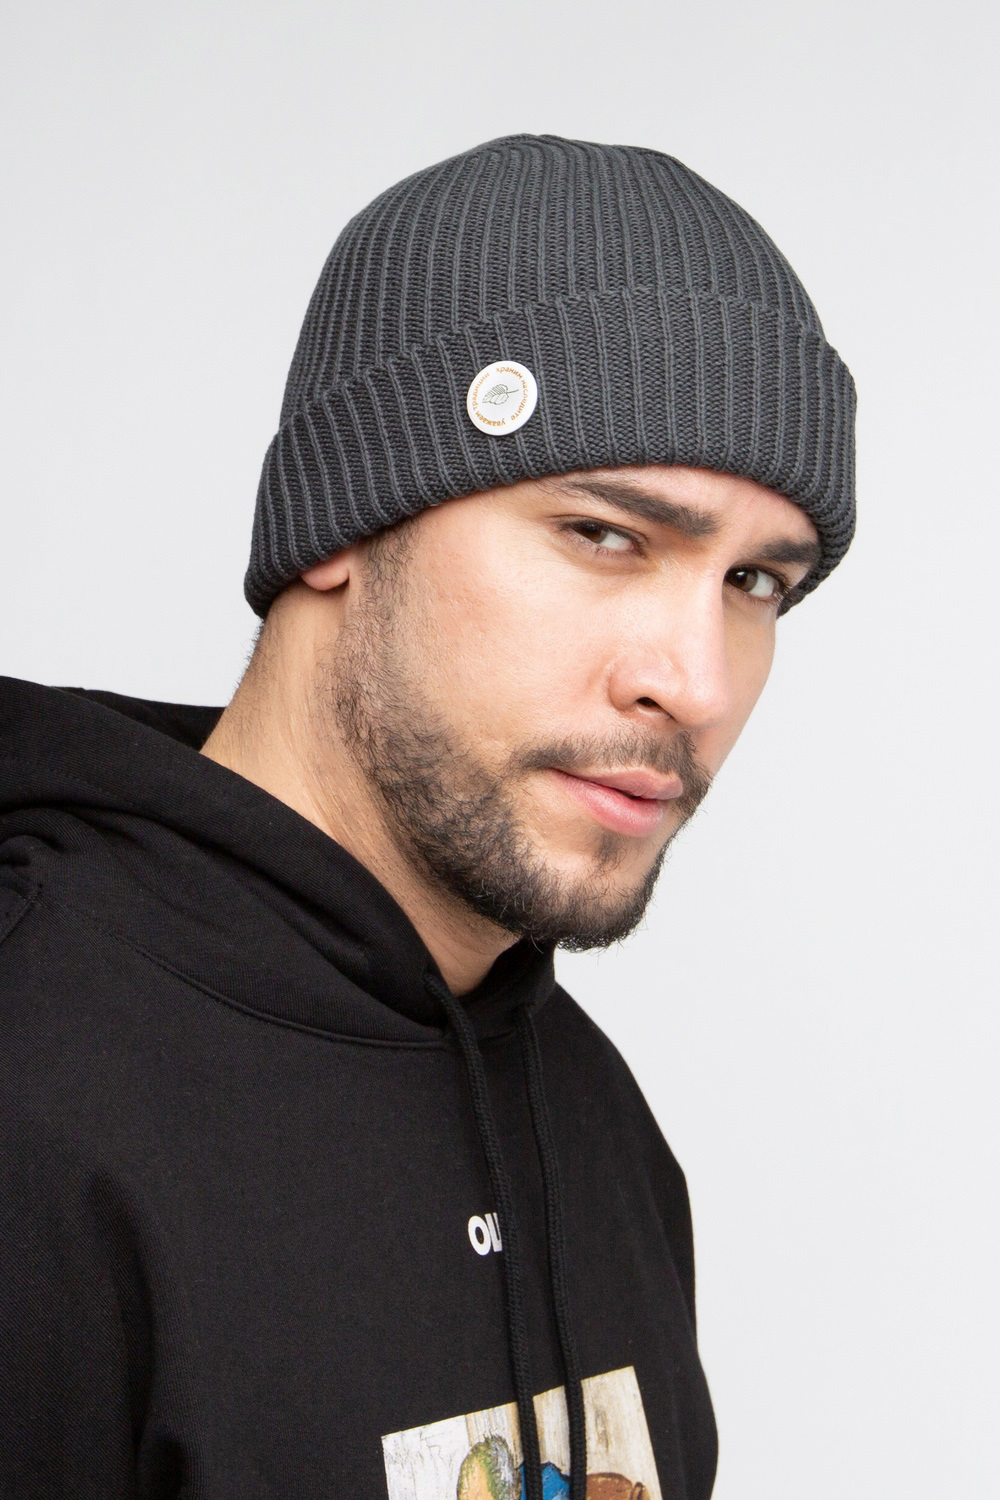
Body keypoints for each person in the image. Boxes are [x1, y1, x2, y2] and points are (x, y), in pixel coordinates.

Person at [0, 134, 855, 1499]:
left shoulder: (592, 1123)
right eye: (606, 535)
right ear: (348, 523)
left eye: (756, 584)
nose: (694, 684)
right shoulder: (36, 1094)